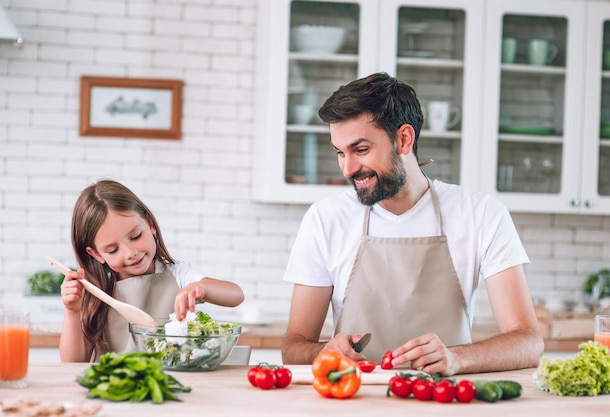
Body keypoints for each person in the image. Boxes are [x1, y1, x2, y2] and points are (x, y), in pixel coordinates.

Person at [281, 72, 544, 376]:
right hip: (354, 401)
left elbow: (528, 342)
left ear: (404, 139)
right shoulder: (325, 219)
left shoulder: (481, 214)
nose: (348, 168)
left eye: (361, 150)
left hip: (444, 401)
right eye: (340, 152)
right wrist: (323, 351)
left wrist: (457, 358)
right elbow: (293, 346)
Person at [59, 179, 245, 362]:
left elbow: (236, 295)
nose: (131, 253)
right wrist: (72, 311)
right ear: (96, 254)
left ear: (151, 225)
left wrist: (200, 288)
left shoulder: (178, 275)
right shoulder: (94, 291)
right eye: (113, 250)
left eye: (135, 236)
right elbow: (72, 362)